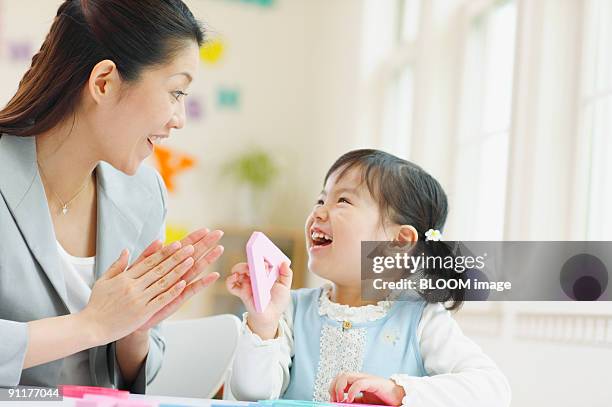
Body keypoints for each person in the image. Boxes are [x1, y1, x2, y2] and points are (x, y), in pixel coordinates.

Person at [0, 0, 223, 392]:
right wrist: (90, 325)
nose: (179, 118)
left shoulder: (145, 195)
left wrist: (136, 328)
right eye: (175, 92)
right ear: (104, 81)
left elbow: (137, 375)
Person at [226, 149, 511, 407]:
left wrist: (398, 391)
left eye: (343, 200)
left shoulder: (421, 319)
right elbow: (252, 393)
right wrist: (263, 323)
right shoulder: (290, 309)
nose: (318, 211)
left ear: (399, 241)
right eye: (321, 198)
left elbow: (494, 390)